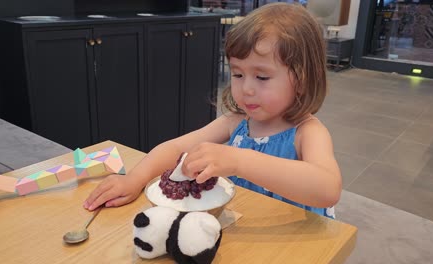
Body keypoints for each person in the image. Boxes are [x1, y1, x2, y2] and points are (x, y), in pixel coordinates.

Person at [84, 2, 341, 219]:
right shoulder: (237, 121)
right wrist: (135, 178)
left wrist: (240, 161)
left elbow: (327, 188)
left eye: (262, 77)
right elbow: (176, 149)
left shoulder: (307, 132)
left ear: (303, 79)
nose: (246, 89)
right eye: (238, 74)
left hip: (294, 240)